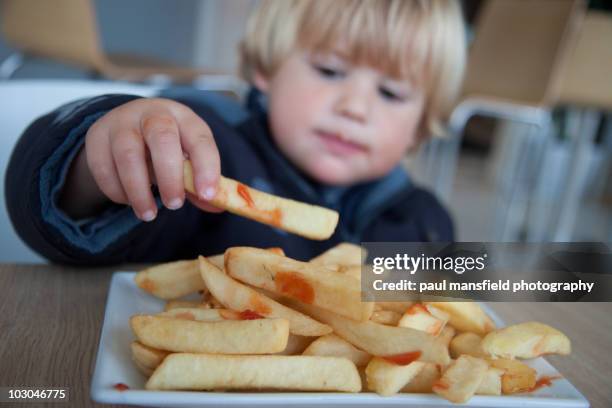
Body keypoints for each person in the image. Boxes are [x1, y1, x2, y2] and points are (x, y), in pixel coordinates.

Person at [5, 0, 466, 265]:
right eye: (328, 70)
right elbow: (68, 219)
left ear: (419, 130)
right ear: (266, 69)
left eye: (390, 93)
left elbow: (465, 298)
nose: (355, 107)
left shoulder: (421, 218)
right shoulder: (207, 147)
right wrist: (98, 160)